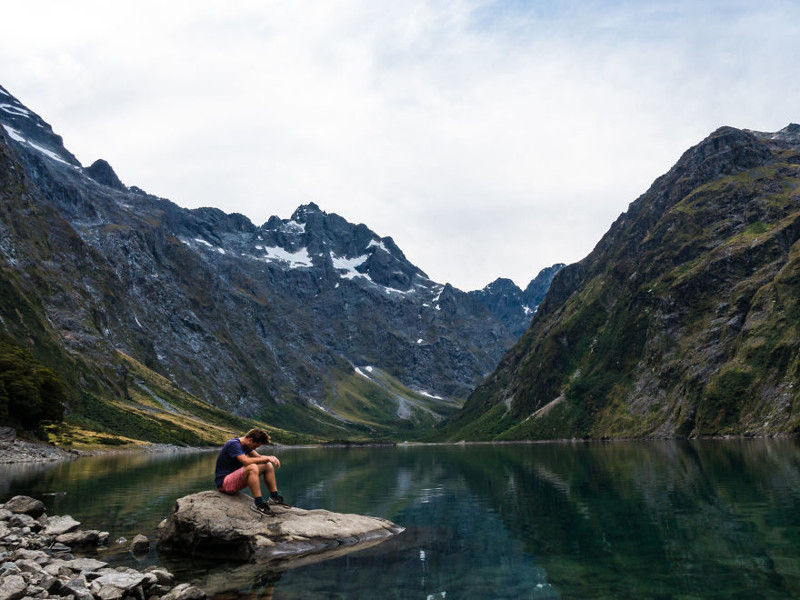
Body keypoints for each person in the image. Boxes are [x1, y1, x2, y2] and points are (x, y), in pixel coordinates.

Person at [214, 428, 290, 516]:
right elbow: (246, 461)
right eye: (255, 446)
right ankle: (258, 503)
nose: (255, 448)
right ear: (250, 440)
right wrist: (266, 458)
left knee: (267, 465)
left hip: (233, 481)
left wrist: (271, 458)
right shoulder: (233, 444)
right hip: (224, 483)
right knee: (252, 467)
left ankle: (275, 497)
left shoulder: (246, 445)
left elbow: (260, 458)